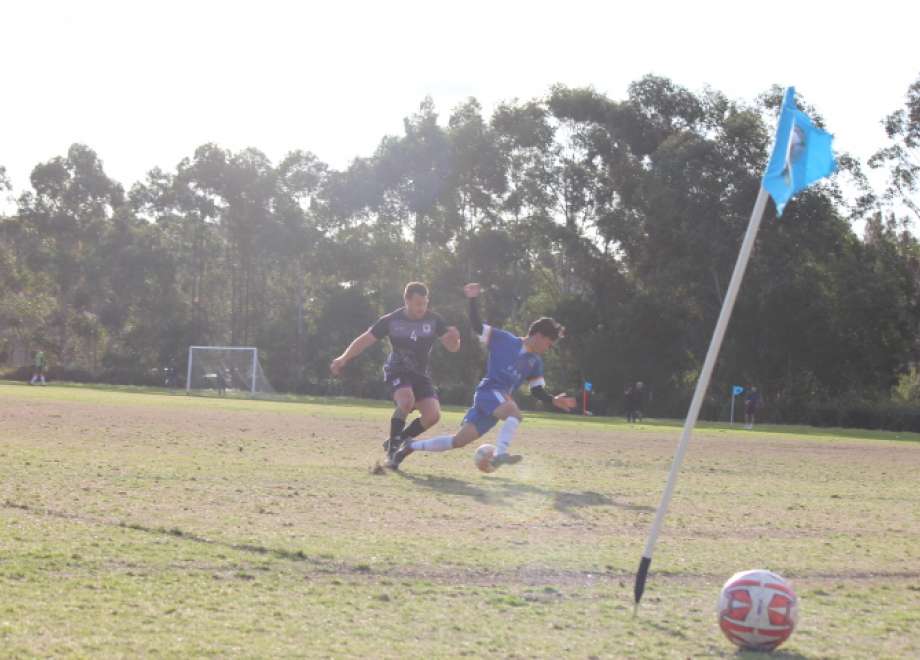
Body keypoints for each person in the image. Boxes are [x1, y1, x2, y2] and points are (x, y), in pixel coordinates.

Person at [390, 282, 576, 470]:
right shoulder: (505, 339)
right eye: (549, 343)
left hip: (497, 402)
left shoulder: (535, 362)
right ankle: (501, 453)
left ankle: (409, 447)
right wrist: (472, 300)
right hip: (489, 392)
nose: (548, 348)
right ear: (539, 336)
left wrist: (553, 400)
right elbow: (477, 326)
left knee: (458, 441)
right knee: (515, 414)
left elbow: (537, 391)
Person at [330, 282, 461, 457]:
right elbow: (365, 340)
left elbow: (453, 348)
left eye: (424, 303)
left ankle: (396, 439)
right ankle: (391, 454)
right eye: (417, 304)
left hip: (420, 375)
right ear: (406, 300)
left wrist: (455, 340)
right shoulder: (391, 320)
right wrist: (344, 358)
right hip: (397, 370)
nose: (422, 308)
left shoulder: (434, 320)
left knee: (433, 415)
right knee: (406, 402)